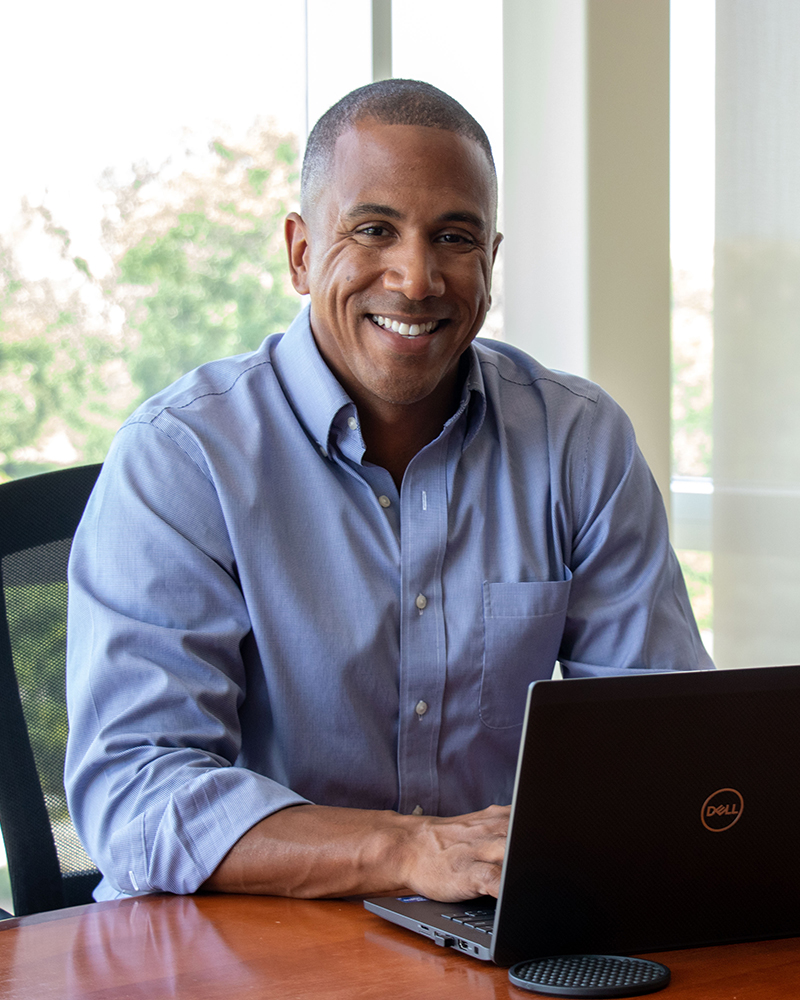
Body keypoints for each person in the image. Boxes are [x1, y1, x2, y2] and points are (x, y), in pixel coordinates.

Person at [65, 80, 712, 905]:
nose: (416, 279)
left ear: (490, 261)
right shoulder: (182, 457)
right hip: (237, 946)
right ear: (301, 253)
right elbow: (135, 794)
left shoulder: (578, 443)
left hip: (491, 939)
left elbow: (660, 745)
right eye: (374, 230)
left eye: (454, 238)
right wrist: (406, 852)